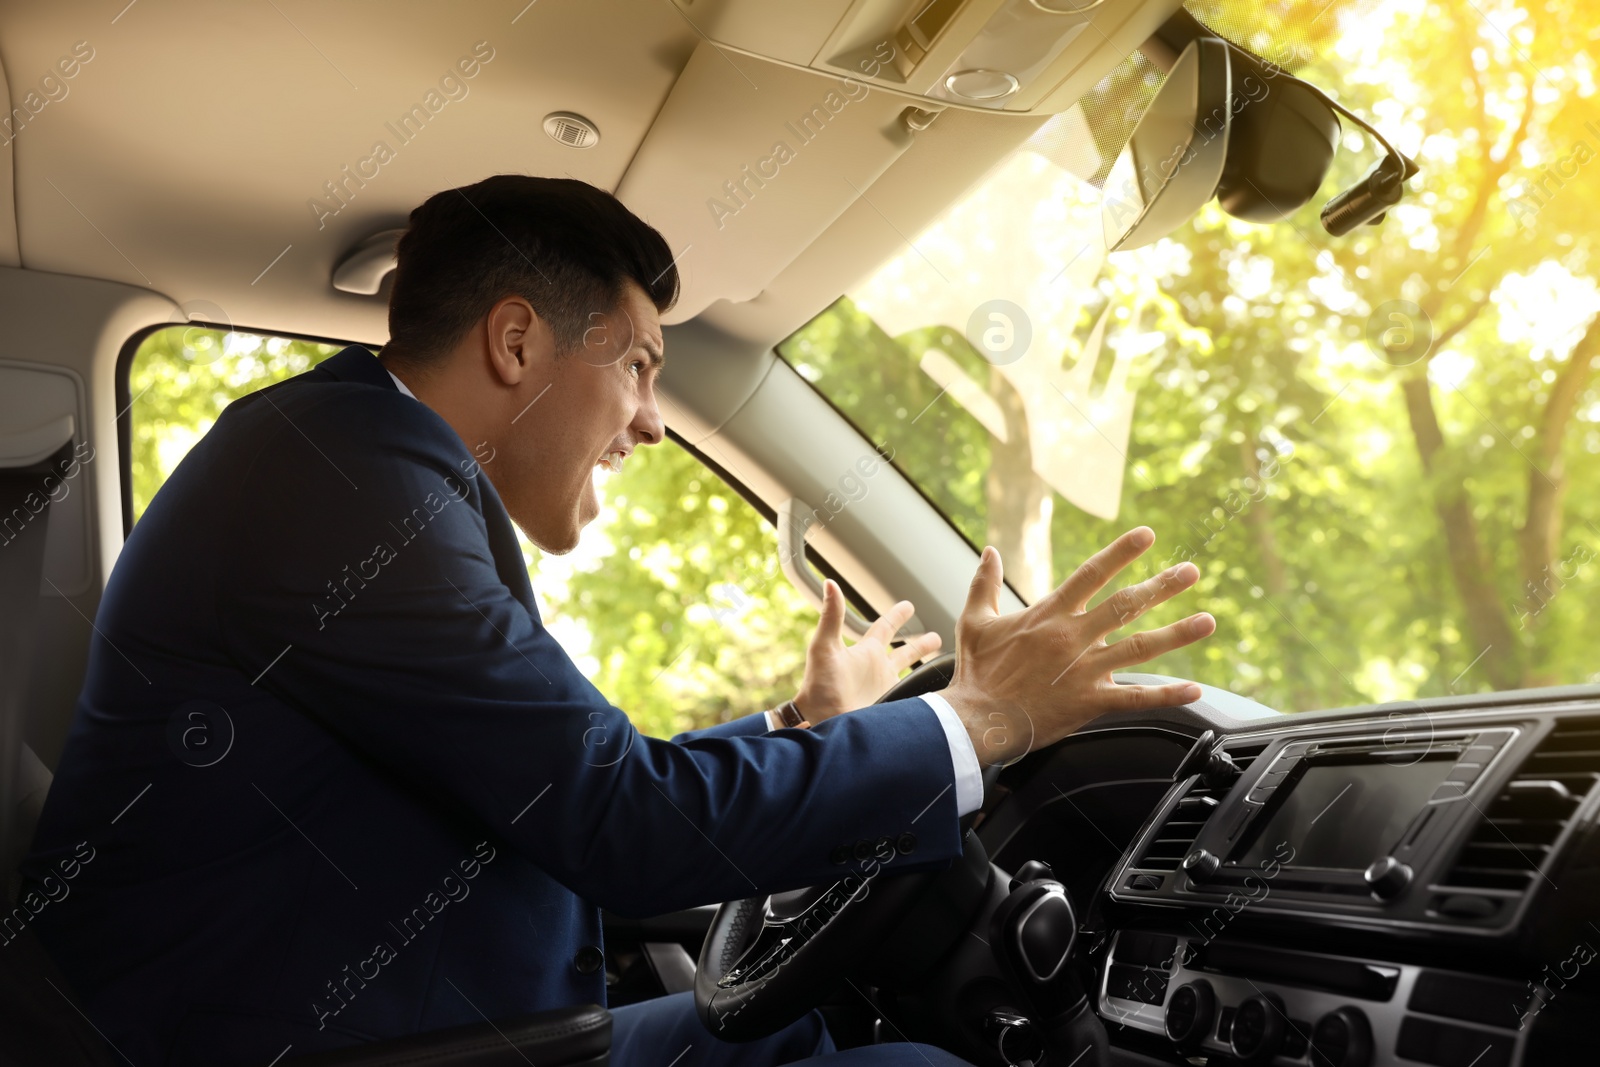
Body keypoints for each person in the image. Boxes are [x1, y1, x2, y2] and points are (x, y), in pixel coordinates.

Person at [20, 175, 1214, 1067]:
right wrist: (983, 716)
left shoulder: (362, 465)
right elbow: (621, 821)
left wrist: (800, 724)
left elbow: (576, 782)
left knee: (792, 1030)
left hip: (430, 1025)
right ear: (517, 338)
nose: (648, 420)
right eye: (640, 366)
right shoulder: (338, 481)